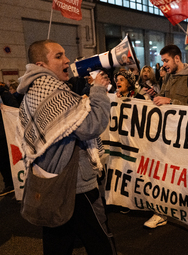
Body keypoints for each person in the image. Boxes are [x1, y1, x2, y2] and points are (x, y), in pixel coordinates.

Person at [16, 39, 116, 255]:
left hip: (52, 181)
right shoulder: (53, 92)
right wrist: (98, 90)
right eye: (58, 56)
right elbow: (91, 126)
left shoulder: (33, 90)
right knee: (99, 239)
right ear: (41, 65)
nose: (67, 59)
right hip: (75, 183)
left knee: (57, 241)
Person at [143, 45, 188, 228]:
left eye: (166, 60)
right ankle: (161, 212)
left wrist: (171, 102)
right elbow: (163, 97)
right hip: (168, 134)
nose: (164, 65)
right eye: (162, 61)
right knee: (164, 173)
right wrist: (157, 98)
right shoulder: (168, 76)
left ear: (177, 59)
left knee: (185, 176)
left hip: (187, 137)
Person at [0, 82, 19, 196]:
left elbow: (15, 109)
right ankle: (8, 183)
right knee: (2, 162)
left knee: (8, 159)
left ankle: (13, 182)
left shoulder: (4, 94)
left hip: (5, 133)